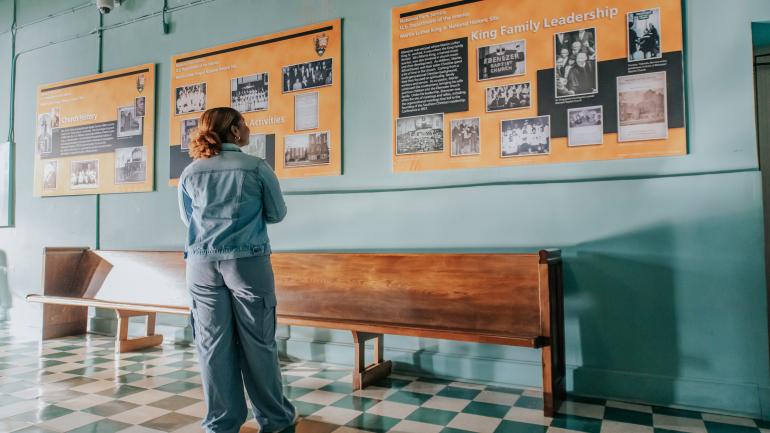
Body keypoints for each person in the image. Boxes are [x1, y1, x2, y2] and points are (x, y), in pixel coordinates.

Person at [177, 107, 297, 433]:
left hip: (200, 265)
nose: (248, 129)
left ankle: (221, 423)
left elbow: (189, 220)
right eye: (244, 124)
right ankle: (275, 420)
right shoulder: (256, 167)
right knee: (258, 343)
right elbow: (276, 214)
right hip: (246, 263)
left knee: (211, 345)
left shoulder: (191, 172)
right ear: (233, 130)